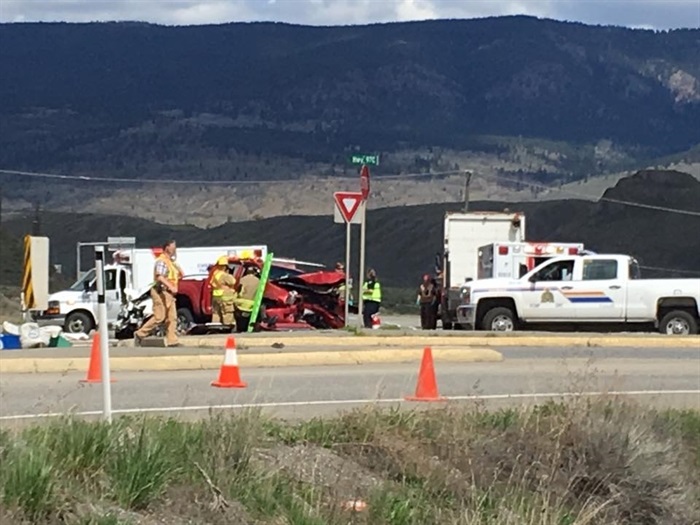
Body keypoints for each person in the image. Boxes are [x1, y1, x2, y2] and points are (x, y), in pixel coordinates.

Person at [134, 239, 183, 347]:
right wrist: (170, 286)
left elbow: (177, 275)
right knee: (159, 317)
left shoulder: (171, 262)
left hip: (169, 294)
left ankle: (172, 341)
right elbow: (159, 276)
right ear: (167, 248)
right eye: (173, 247)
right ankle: (140, 334)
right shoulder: (162, 261)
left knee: (172, 317)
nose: (175, 249)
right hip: (160, 292)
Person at [233, 265, 277, 332]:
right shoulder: (259, 281)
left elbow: (237, 290)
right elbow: (262, 293)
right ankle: (263, 320)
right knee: (262, 306)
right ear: (254, 273)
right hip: (252, 304)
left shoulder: (241, 280)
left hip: (240, 304)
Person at [210, 255, 237, 329]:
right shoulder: (224, 275)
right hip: (225, 298)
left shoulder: (215, 274)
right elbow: (233, 281)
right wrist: (230, 274)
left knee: (216, 314)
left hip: (216, 297)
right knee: (227, 313)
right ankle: (227, 329)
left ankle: (215, 329)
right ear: (225, 266)